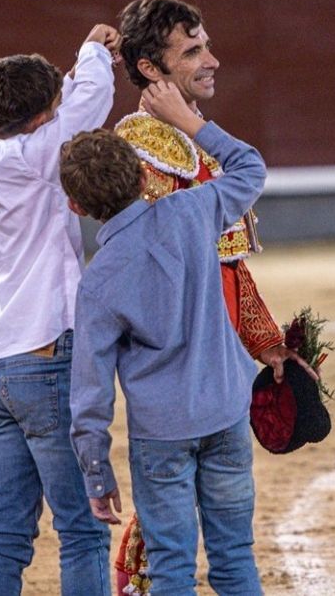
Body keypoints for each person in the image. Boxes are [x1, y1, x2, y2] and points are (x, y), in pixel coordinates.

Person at [110, 0, 314, 594]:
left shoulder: (192, 147)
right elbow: (164, 280)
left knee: (205, 557)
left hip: (194, 389)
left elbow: (229, 270)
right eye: (192, 50)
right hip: (184, 381)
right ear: (152, 70)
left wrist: (266, 344)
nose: (212, 60)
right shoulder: (144, 149)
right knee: (214, 559)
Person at [61, 81, 268, 595]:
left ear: (76, 207)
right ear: (141, 175)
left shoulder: (99, 280)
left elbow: (90, 392)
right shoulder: (193, 212)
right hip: (224, 411)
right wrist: (194, 125)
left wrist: (95, 474)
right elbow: (250, 169)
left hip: (162, 435)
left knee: (172, 567)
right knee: (235, 559)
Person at [0, 23, 121, 596]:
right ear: (40, 119)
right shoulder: (42, 154)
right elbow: (91, 102)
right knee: (82, 531)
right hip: (47, 352)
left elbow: (61, 112)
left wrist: (63, 84)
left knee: (6, 532)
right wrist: (95, 51)